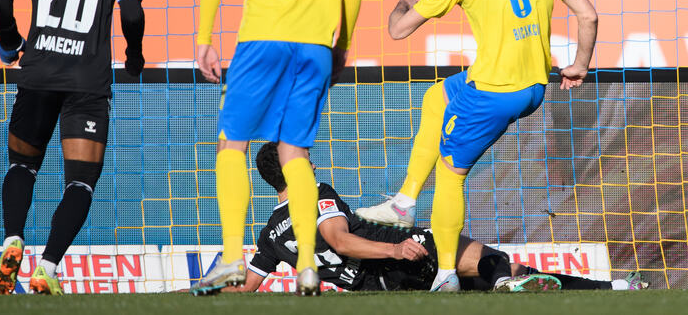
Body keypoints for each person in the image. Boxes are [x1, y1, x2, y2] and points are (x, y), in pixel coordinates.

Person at [354, 0, 598, 291]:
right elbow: (588, 17)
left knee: (451, 174)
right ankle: (404, 201)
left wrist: (400, 4)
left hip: (494, 91)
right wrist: (580, 65)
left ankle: (446, 274)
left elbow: (398, 32)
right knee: (439, 95)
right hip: (534, 86)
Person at [192, 0, 367, 296]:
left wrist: (205, 37)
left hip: (262, 37)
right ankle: (308, 264)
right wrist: (343, 42)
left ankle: (232, 259)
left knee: (233, 143)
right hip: (314, 42)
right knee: (295, 152)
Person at [0, 0, 146, 295]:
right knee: (79, 181)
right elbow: (131, 12)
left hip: (38, 74)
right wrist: (134, 54)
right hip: (87, 82)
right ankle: (50, 266)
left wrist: (10, 43)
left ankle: (13, 239)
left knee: (22, 164)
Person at [231, 142, 648, 293]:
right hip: (409, 252)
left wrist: (193, 294)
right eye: (303, 158)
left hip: (383, 287)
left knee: (484, 285)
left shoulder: (269, 234)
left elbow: (246, 287)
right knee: (505, 265)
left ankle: (504, 284)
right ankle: (610, 286)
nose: (311, 162)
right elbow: (338, 238)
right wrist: (395, 246)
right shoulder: (317, 195)